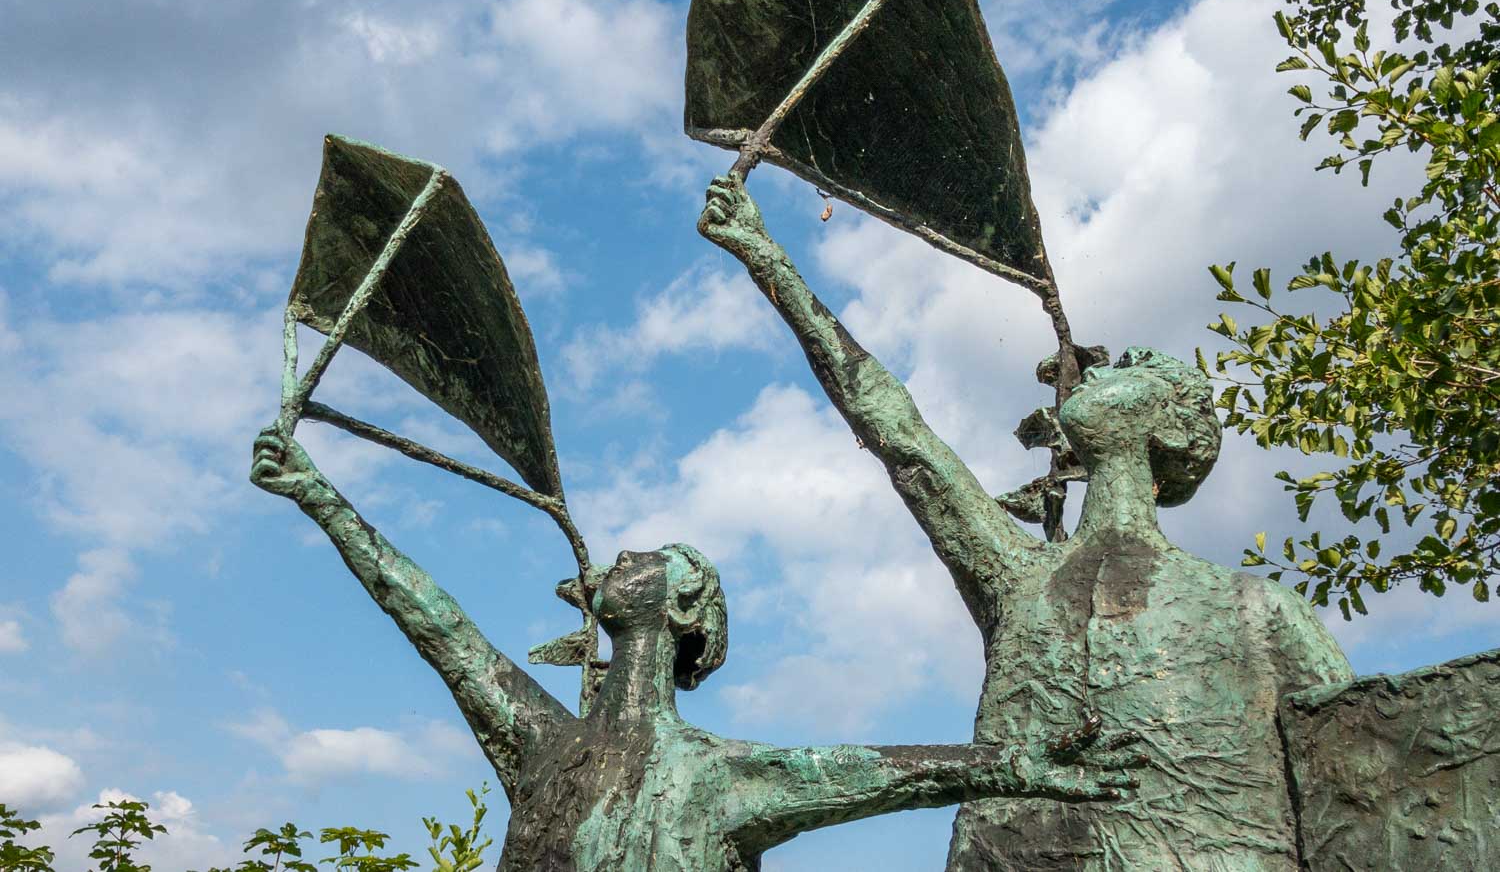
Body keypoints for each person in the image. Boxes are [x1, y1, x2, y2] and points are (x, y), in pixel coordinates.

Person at [699, 174, 1353, 871]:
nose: (1098, 370)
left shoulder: (1256, 612)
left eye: (1134, 365)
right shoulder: (1018, 575)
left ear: (1171, 425)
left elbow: (1361, 786)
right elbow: (898, 430)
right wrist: (768, 260)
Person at [251, 429, 1144, 872]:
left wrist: (1021, 765)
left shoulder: (720, 777)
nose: (621, 559)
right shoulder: (545, 742)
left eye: (644, 558)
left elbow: (892, 770)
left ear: (682, 603)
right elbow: (441, 629)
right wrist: (324, 500)